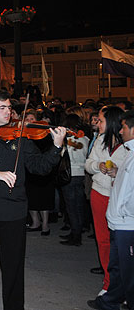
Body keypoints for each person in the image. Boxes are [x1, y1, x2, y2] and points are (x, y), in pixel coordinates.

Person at [0, 89, 66, 310]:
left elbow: (40, 167)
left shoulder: (20, 135)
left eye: (9, 107)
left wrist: (56, 147)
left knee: (14, 267)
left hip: (14, 212)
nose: (9, 112)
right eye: (2, 107)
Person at [87, 109, 134, 310]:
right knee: (105, 243)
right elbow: (89, 165)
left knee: (123, 255)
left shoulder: (128, 147)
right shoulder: (100, 140)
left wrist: (116, 173)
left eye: (102, 120)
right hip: (101, 194)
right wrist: (99, 165)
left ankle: (118, 293)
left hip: (122, 207)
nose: (98, 123)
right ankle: (109, 289)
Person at [59, 113, 90, 246]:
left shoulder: (69, 140)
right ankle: (76, 232)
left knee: (71, 207)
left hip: (70, 174)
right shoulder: (86, 139)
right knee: (78, 205)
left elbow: (63, 156)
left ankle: (76, 235)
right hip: (82, 174)